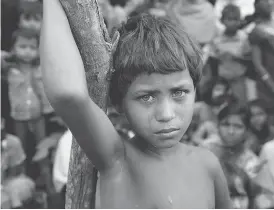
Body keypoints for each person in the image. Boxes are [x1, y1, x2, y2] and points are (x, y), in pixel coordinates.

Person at [41, 0, 232, 208]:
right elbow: (68, 94)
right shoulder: (118, 158)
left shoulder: (207, 164)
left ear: (195, 91)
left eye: (179, 92)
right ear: (119, 104)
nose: (166, 114)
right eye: (147, 97)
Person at [196, 103, 262, 208]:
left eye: (238, 126)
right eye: (226, 125)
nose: (231, 131)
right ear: (217, 126)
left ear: (247, 131)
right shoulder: (204, 150)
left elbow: (253, 197)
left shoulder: (251, 161)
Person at [7, 28, 46, 163]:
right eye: (22, 47)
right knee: (20, 147)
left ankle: (46, 177)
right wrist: (7, 55)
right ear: (13, 48)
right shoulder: (9, 69)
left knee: (42, 146)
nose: (28, 51)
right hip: (18, 116)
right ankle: (20, 174)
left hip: (38, 116)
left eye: (32, 47)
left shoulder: (40, 68)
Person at [209, 4, 252, 104]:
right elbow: (212, 63)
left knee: (241, 107)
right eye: (229, 19)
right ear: (222, 20)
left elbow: (250, 61)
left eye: (235, 19)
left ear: (240, 21)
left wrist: (236, 58)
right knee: (221, 108)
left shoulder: (244, 38)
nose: (232, 22)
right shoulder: (217, 40)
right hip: (222, 81)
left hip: (239, 80)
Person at [1, 118, 36, 209]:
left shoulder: (13, 142)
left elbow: (17, 172)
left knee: (17, 189)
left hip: (12, 182)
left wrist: (6, 156)